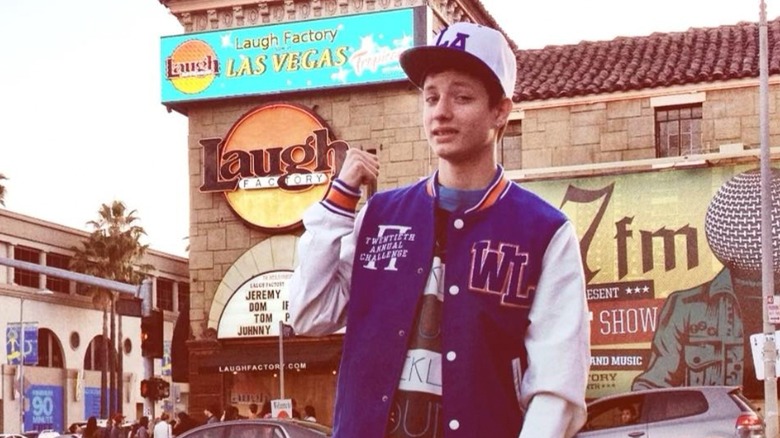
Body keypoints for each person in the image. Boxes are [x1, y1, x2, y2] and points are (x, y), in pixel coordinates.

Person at [289, 21, 590, 438]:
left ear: (500, 110)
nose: (441, 111)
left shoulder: (544, 230)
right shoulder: (380, 214)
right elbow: (308, 313)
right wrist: (338, 202)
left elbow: (557, 386)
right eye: (431, 97)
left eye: (462, 97)